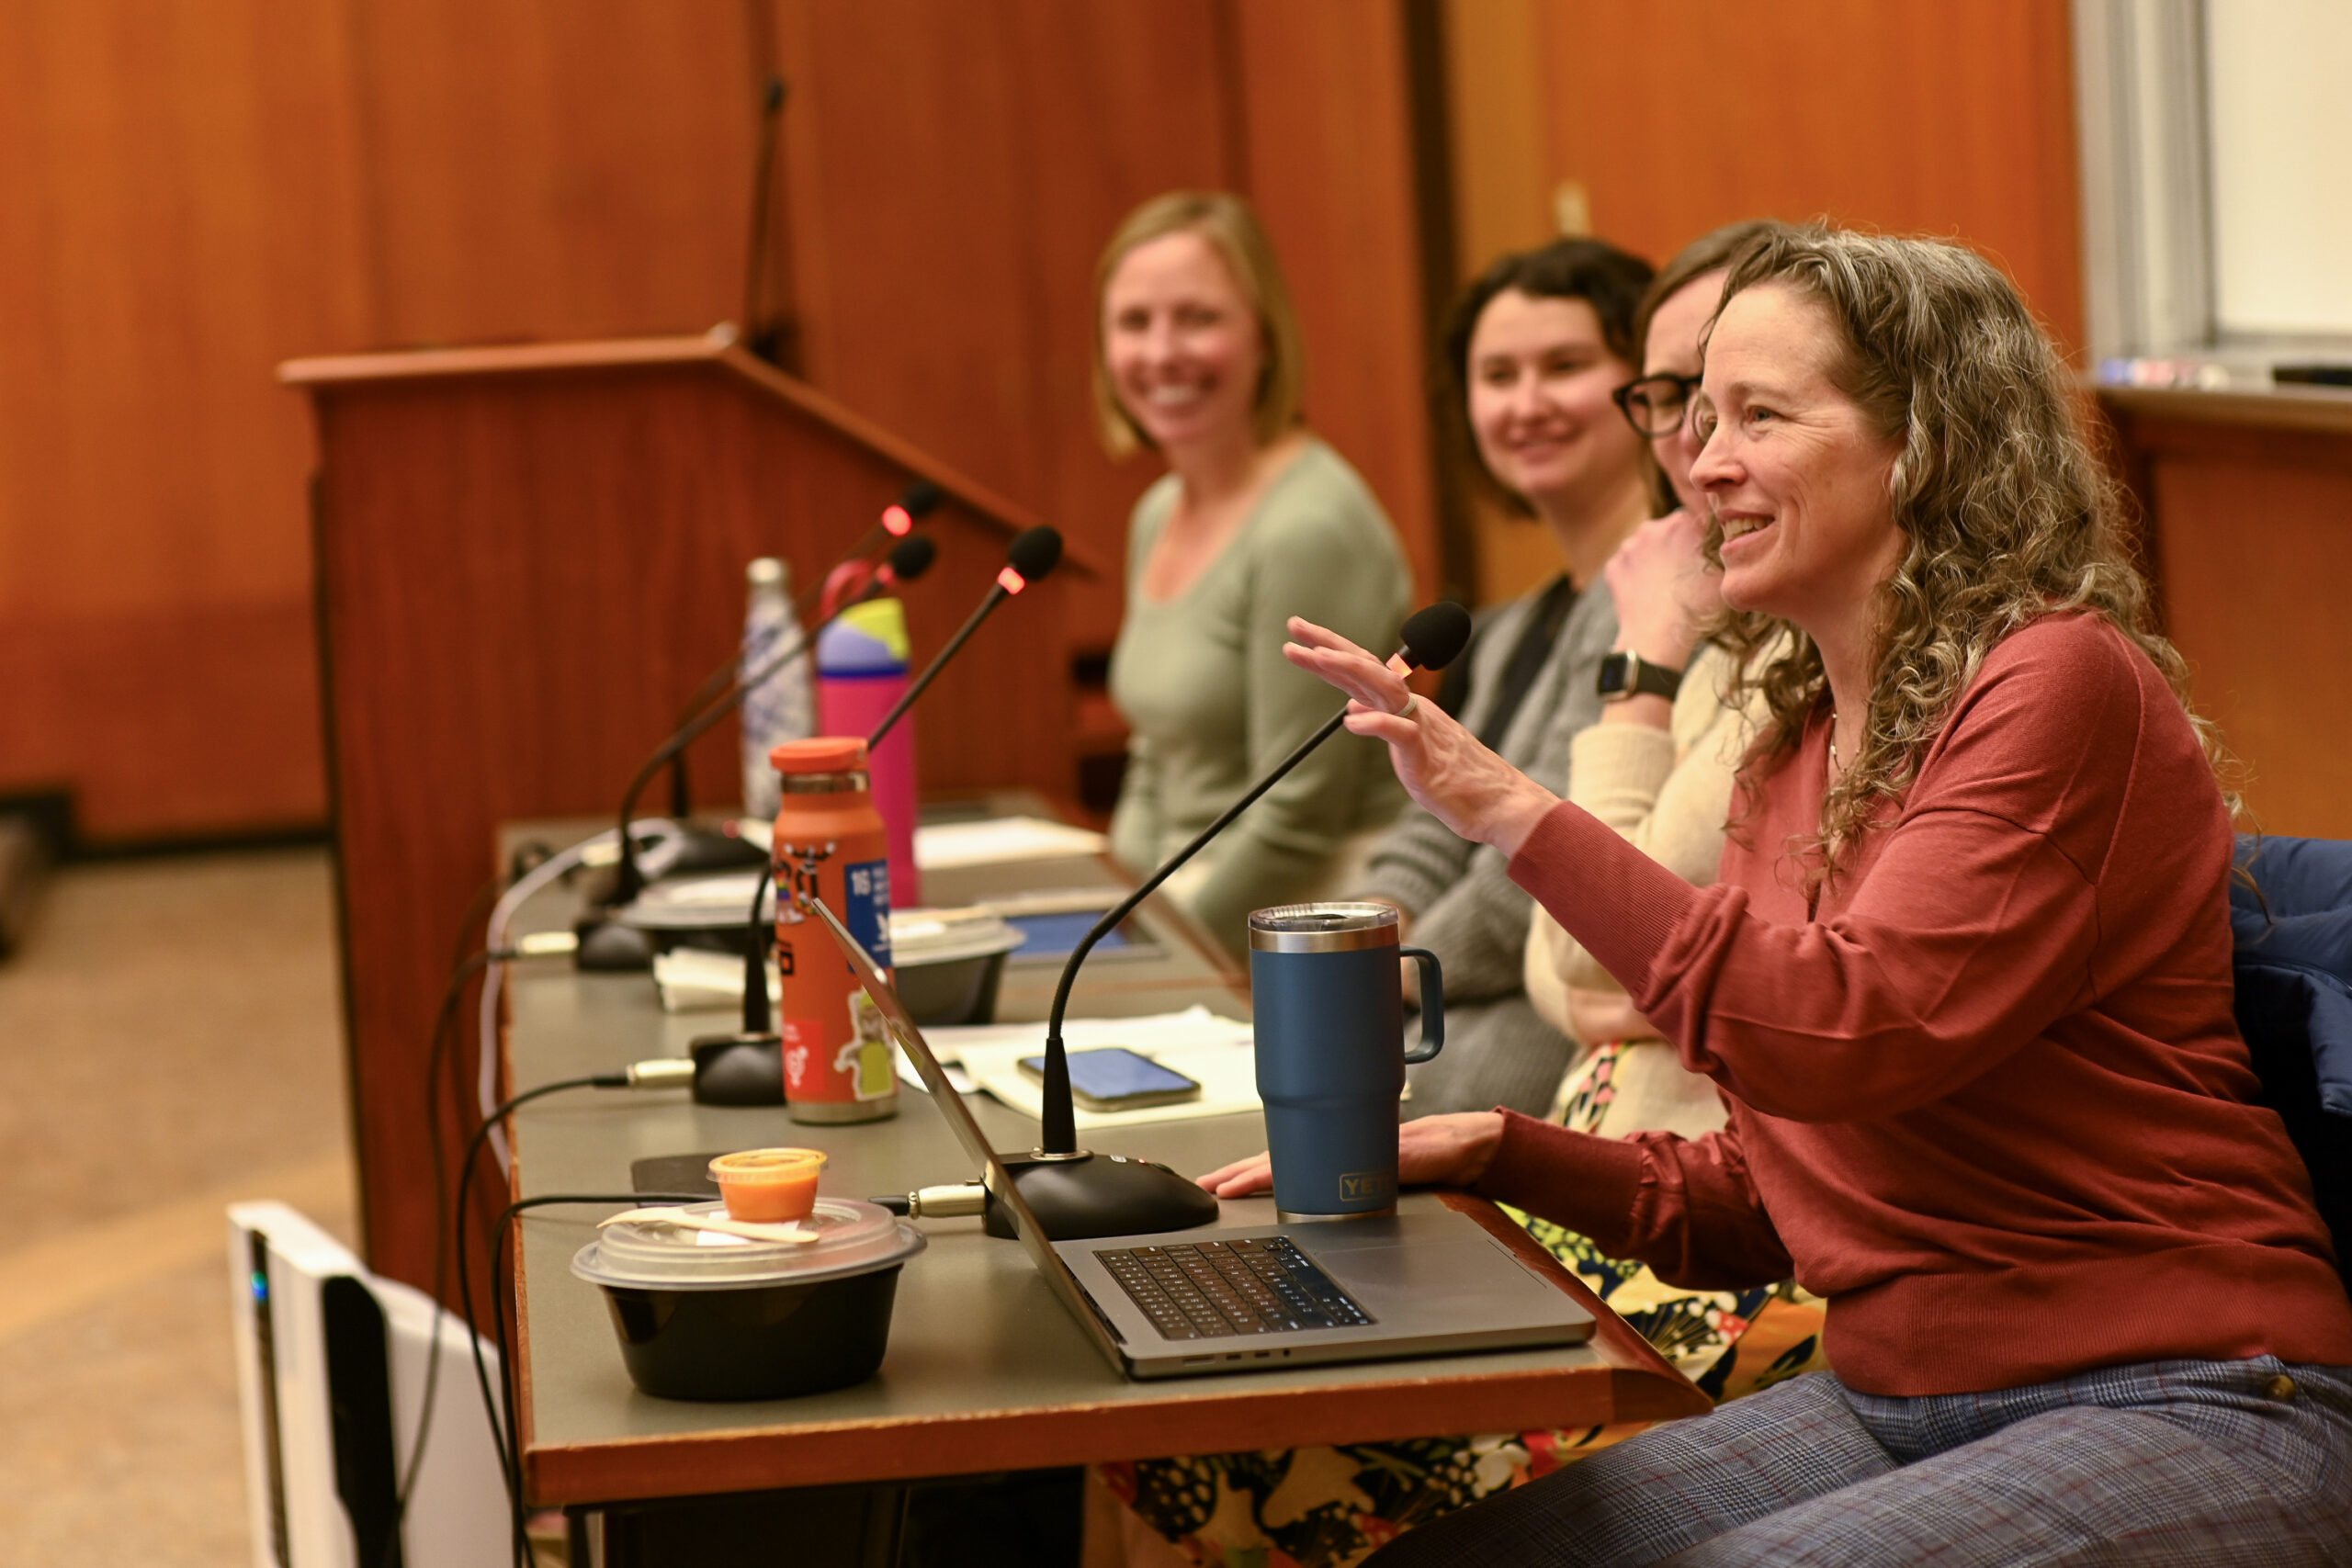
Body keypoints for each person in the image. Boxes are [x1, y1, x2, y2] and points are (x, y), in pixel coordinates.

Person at [1238, 227, 2352, 1564]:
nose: (1704, 462)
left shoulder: (2060, 682)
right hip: (1906, 1393)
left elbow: (1849, 1031)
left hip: (2194, 1387)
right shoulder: (1795, 738)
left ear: (1923, 443)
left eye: (1759, 415)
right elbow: (1774, 1194)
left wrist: (1512, 809)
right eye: (1700, 416)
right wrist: (1500, 1147)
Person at [1350, 236, 1657, 1119]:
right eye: (1497, 376)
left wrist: (1381, 977)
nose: (1527, 404)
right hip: (1446, 1021)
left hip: (1541, 1061)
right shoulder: (1516, 619)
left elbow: (1550, 857)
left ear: (1652, 392)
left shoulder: (1653, 609)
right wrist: (1366, 934)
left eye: (1564, 366)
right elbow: (1432, 836)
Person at [1099, 191, 1412, 955]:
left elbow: (1295, 821)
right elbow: (1154, 758)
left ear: (1264, 337)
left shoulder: (1306, 526)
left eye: (1198, 318)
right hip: (1188, 906)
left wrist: (1155, 959)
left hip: (1300, 923)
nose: (1162, 351)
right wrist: (1111, 916)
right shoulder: (1158, 510)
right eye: (1135, 322)